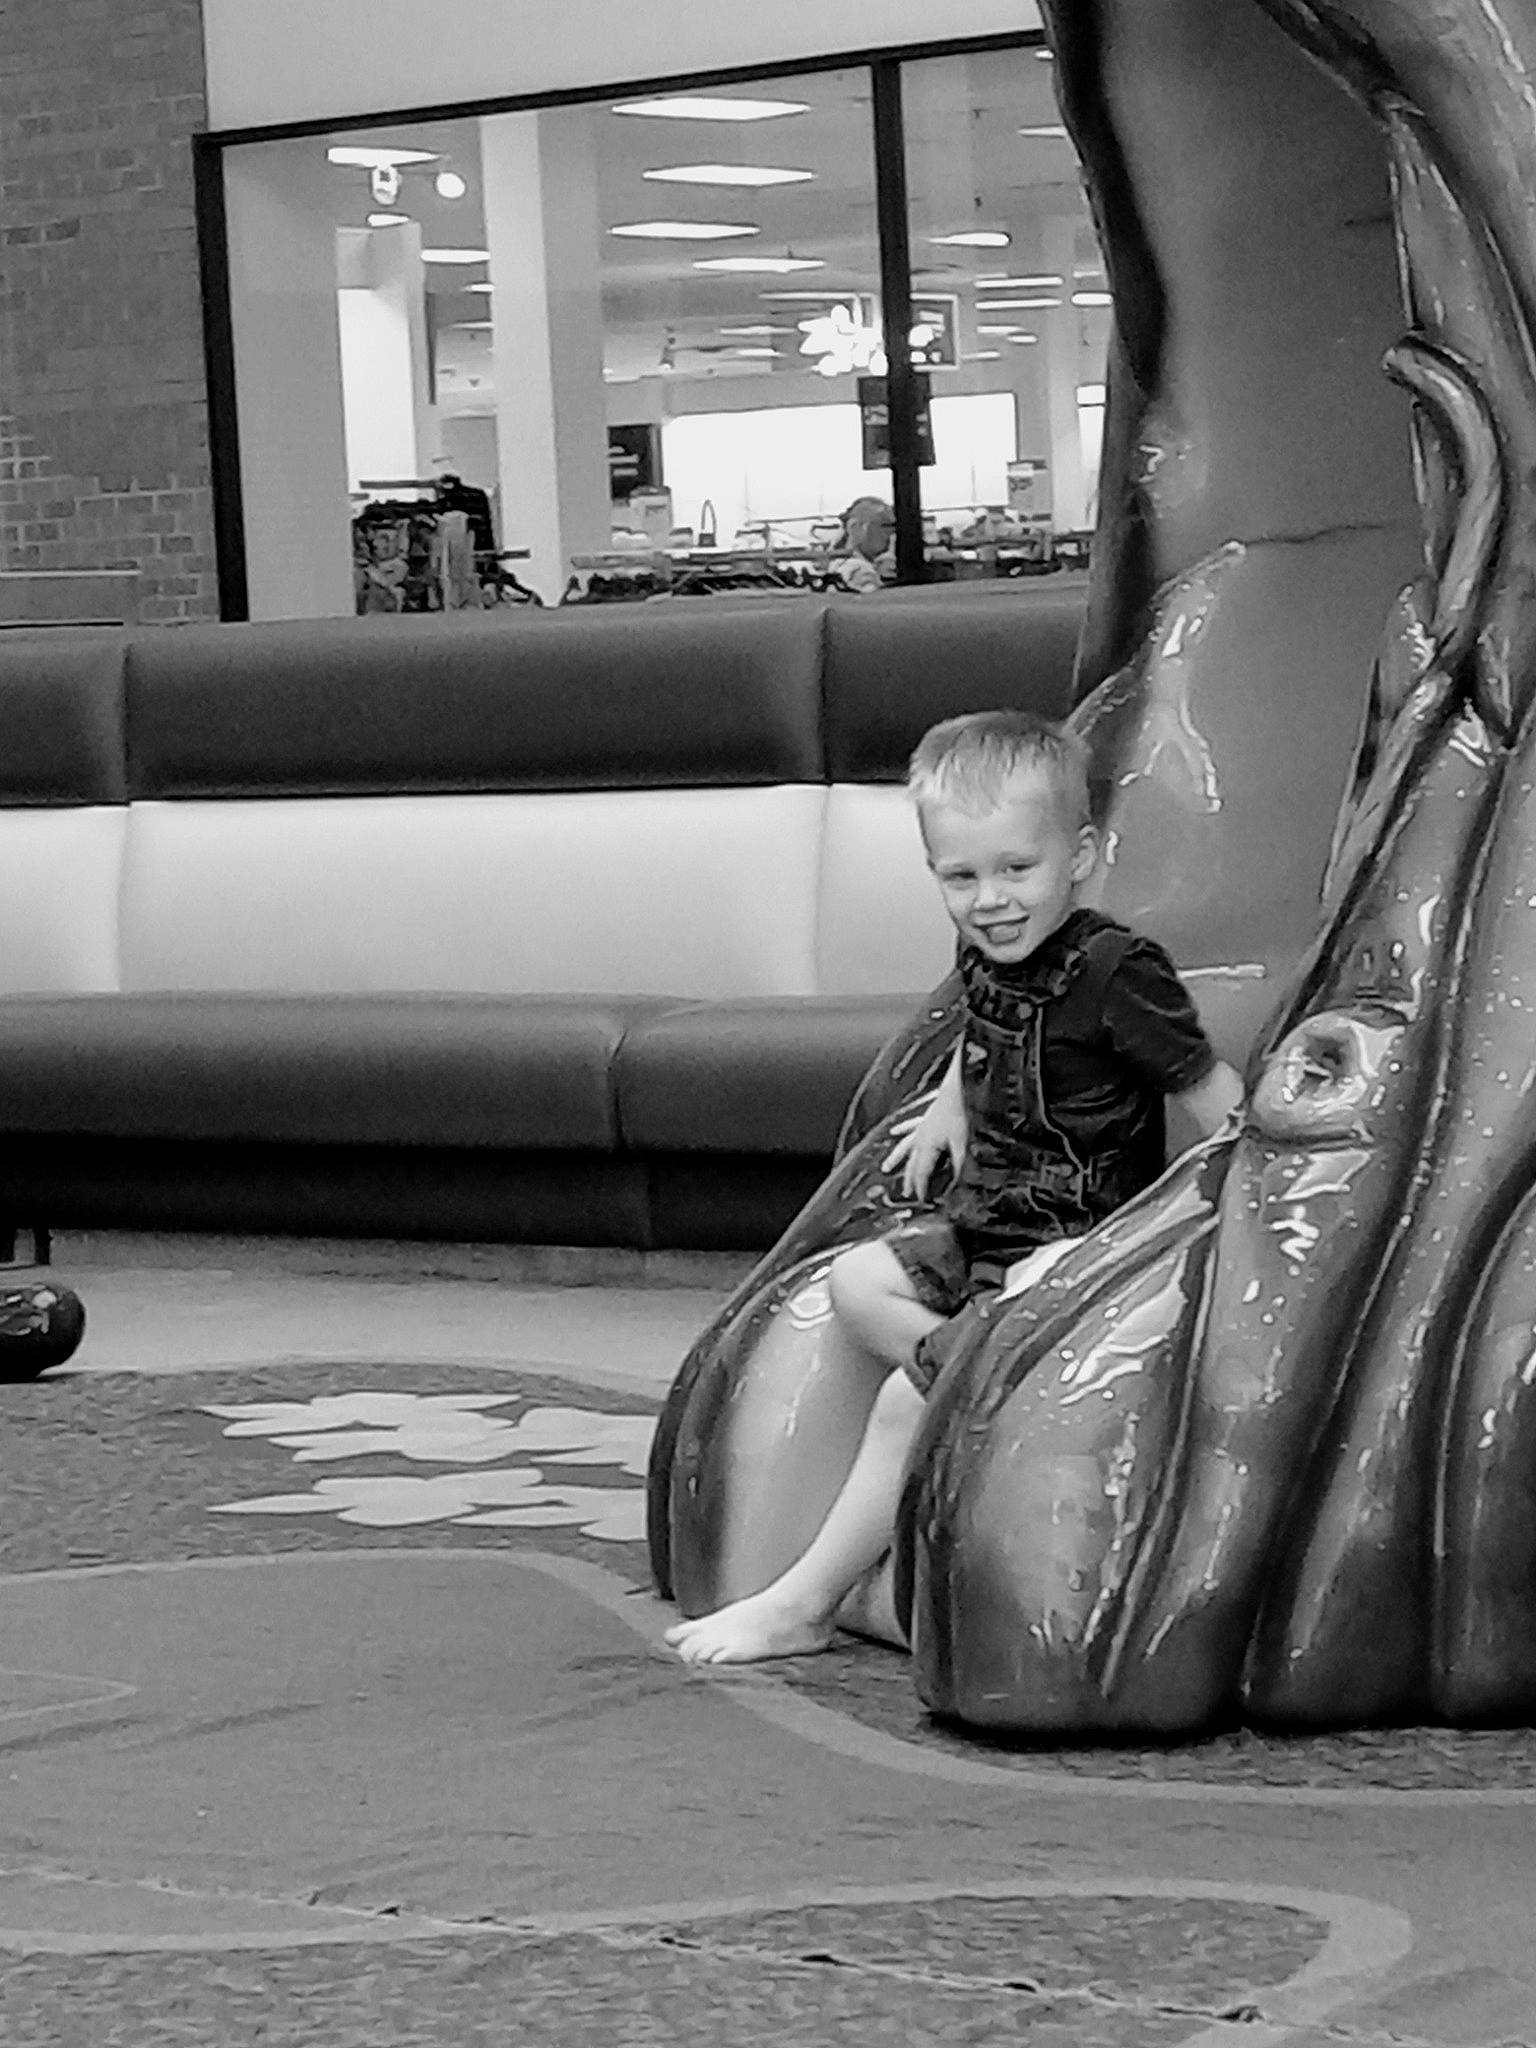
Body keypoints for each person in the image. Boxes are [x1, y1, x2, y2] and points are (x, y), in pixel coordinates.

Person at [666, 710, 1244, 1665]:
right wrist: (950, 1107)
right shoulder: (989, 955)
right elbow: (984, 1028)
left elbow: (1203, 1084)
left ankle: (804, 1602)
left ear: (1082, 856)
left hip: (1081, 1238)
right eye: (961, 876)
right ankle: (976, 1377)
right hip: (992, 1224)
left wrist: (1241, 1185)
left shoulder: (1116, 974)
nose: (991, 900)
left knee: (901, 1397)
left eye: (1018, 869)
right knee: (857, 1282)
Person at [832, 496, 896, 593]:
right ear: (856, 528)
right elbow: (874, 598)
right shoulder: (858, 569)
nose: (892, 533)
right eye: (885, 525)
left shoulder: (837, 564)